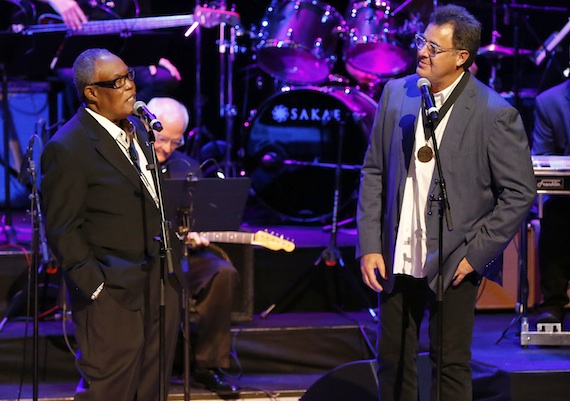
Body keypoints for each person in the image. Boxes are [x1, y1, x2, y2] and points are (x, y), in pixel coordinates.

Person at [356, 4, 536, 401]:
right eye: (422, 41)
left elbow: (520, 192)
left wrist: (477, 254)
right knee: (394, 358)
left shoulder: (495, 113)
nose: (422, 51)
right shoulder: (395, 93)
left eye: (434, 48)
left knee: (450, 364)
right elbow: (373, 172)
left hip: (456, 258)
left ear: (461, 59)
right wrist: (369, 243)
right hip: (397, 252)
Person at [41, 48, 185, 400]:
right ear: (92, 92)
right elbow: (62, 229)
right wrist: (96, 288)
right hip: (111, 291)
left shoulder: (138, 129)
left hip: (158, 282)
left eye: (129, 76)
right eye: (117, 82)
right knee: (111, 390)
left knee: (152, 388)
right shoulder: (68, 147)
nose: (129, 87)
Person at [147, 96, 240, 394]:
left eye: (175, 142)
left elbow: (197, 217)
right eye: (162, 139)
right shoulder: (128, 161)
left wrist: (197, 233)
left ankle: (208, 365)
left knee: (221, 272)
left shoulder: (186, 166)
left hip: (181, 257)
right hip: (143, 258)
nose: (167, 149)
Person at [30, 0, 182, 118]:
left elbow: (141, 18)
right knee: (83, 80)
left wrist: (151, 53)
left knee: (164, 78)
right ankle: (88, 136)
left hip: (116, 54)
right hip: (70, 52)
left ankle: (122, 123)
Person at [531, 77, 570, 327]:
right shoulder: (549, 101)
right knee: (554, 214)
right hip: (568, 194)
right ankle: (554, 302)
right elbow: (543, 155)